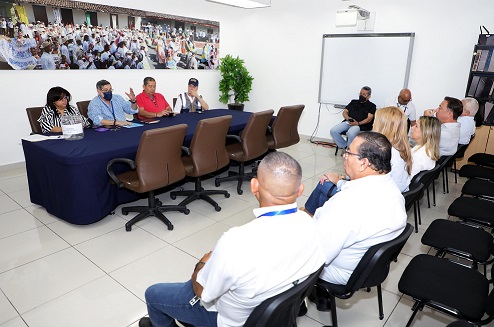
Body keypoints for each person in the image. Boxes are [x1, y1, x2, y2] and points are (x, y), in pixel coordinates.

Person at [139, 152, 326, 327]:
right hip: (277, 313)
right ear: (300, 189)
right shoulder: (312, 224)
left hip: (231, 320)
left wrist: (201, 265)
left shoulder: (235, 242)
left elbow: (202, 292)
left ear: (254, 186)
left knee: (153, 295)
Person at [311, 132, 407, 308]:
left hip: (341, 272)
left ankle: (293, 304)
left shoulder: (348, 205)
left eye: (348, 152)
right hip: (369, 268)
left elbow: (316, 255)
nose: (344, 156)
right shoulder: (392, 190)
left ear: (364, 163)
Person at [302, 106, 411, 216]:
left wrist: (338, 181)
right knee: (324, 192)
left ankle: (309, 214)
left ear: (383, 126)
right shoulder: (399, 150)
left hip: (369, 205)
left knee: (324, 184)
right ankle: (313, 215)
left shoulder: (386, 154)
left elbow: (362, 190)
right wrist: (342, 177)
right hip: (384, 202)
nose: (373, 125)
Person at [88, 79, 153, 127]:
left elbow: (132, 110)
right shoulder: (94, 103)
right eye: (105, 90)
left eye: (110, 90)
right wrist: (117, 122)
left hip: (124, 127)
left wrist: (133, 101)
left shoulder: (117, 98)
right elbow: (98, 120)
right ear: (98, 91)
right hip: (108, 130)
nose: (109, 92)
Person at [330, 86, 376, 151]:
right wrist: (348, 118)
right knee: (333, 131)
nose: (361, 95)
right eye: (360, 93)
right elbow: (345, 112)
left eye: (364, 94)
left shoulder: (372, 106)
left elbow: (369, 119)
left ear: (368, 96)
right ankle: (344, 145)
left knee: (350, 133)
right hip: (349, 122)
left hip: (360, 125)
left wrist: (357, 123)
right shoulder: (353, 102)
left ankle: (349, 150)